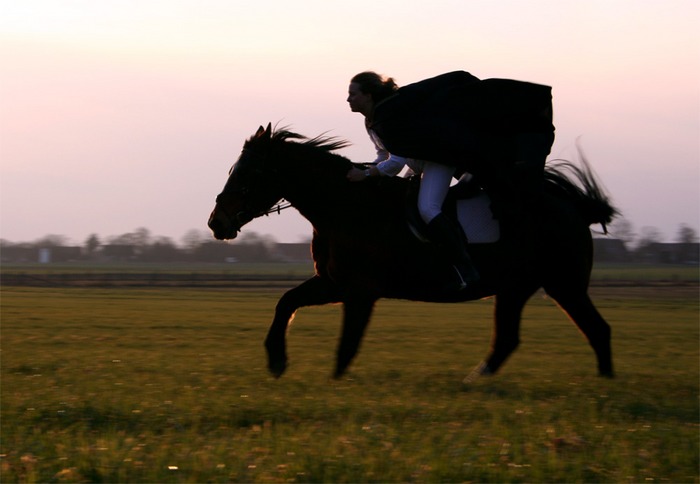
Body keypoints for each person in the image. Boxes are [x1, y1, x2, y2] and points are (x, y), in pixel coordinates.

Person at [346, 71, 480, 291]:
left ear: (368, 96)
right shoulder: (370, 120)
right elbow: (384, 154)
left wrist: (367, 175)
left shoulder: (388, 116)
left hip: (436, 160)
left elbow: (396, 163)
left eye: (353, 94)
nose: (348, 99)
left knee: (428, 209)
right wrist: (367, 168)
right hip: (416, 162)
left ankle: (466, 268)